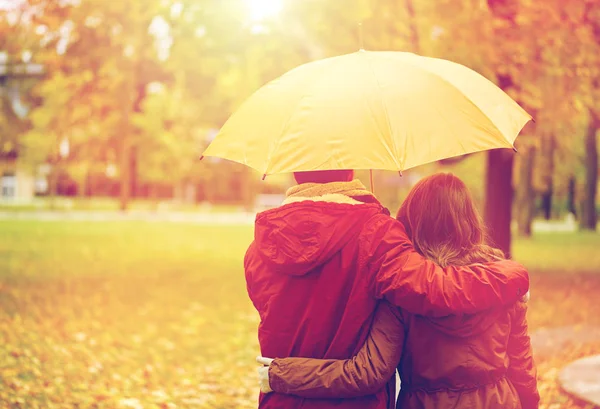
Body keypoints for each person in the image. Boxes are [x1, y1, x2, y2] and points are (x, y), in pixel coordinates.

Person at [245, 169, 530, 409]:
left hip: (282, 399)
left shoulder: (258, 249)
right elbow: (442, 289)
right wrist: (512, 275)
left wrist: (280, 375)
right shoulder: (378, 239)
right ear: (348, 172)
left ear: (295, 174)